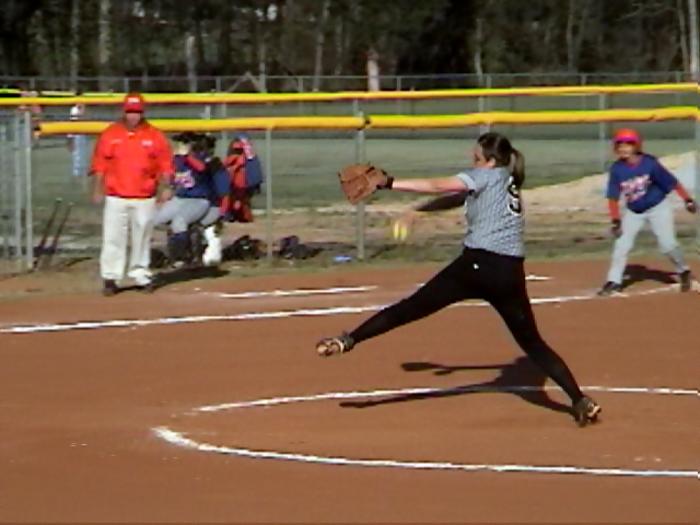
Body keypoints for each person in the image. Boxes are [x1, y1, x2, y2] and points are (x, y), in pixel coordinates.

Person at [316, 132, 601, 427]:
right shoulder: (506, 180)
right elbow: (455, 197)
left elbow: (438, 185)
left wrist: (388, 182)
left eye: (477, 158)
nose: (472, 161)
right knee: (533, 344)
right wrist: (418, 212)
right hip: (510, 274)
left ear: (490, 161)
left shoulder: (485, 176)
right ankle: (580, 400)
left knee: (411, 308)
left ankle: (348, 339)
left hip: (477, 267)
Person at [90, 93, 174, 296]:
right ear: (123, 111)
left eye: (137, 112)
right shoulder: (111, 134)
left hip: (144, 196)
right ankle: (110, 277)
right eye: (129, 112)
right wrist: (97, 188)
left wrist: (165, 186)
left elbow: (165, 165)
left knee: (142, 237)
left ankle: (141, 274)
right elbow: (100, 164)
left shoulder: (155, 136)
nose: (133, 116)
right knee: (113, 237)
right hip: (116, 195)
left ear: (143, 112)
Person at [597, 128, 697, 296]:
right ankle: (613, 281)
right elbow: (613, 196)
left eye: (628, 144)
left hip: (658, 207)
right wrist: (615, 220)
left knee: (667, 244)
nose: (623, 148)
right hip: (634, 212)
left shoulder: (649, 164)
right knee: (621, 245)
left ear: (637, 146)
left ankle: (683, 271)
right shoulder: (617, 169)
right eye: (620, 145)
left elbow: (672, 182)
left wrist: (687, 199)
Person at [154, 132, 229, 267]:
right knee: (154, 220)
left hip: (200, 200)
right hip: (181, 199)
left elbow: (202, 168)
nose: (180, 145)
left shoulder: (206, 160)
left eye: (185, 142)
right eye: (180, 143)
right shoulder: (177, 159)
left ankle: (182, 257)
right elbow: (169, 178)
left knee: (180, 222)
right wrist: (166, 189)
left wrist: (222, 214)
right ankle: (175, 252)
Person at [67, 95, 88, 178]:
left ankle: (82, 172)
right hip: (76, 133)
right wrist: (70, 137)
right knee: (76, 154)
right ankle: (76, 173)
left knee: (83, 153)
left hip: (82, 133)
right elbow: (73, 122)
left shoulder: (83, 109)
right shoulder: (74, 110)